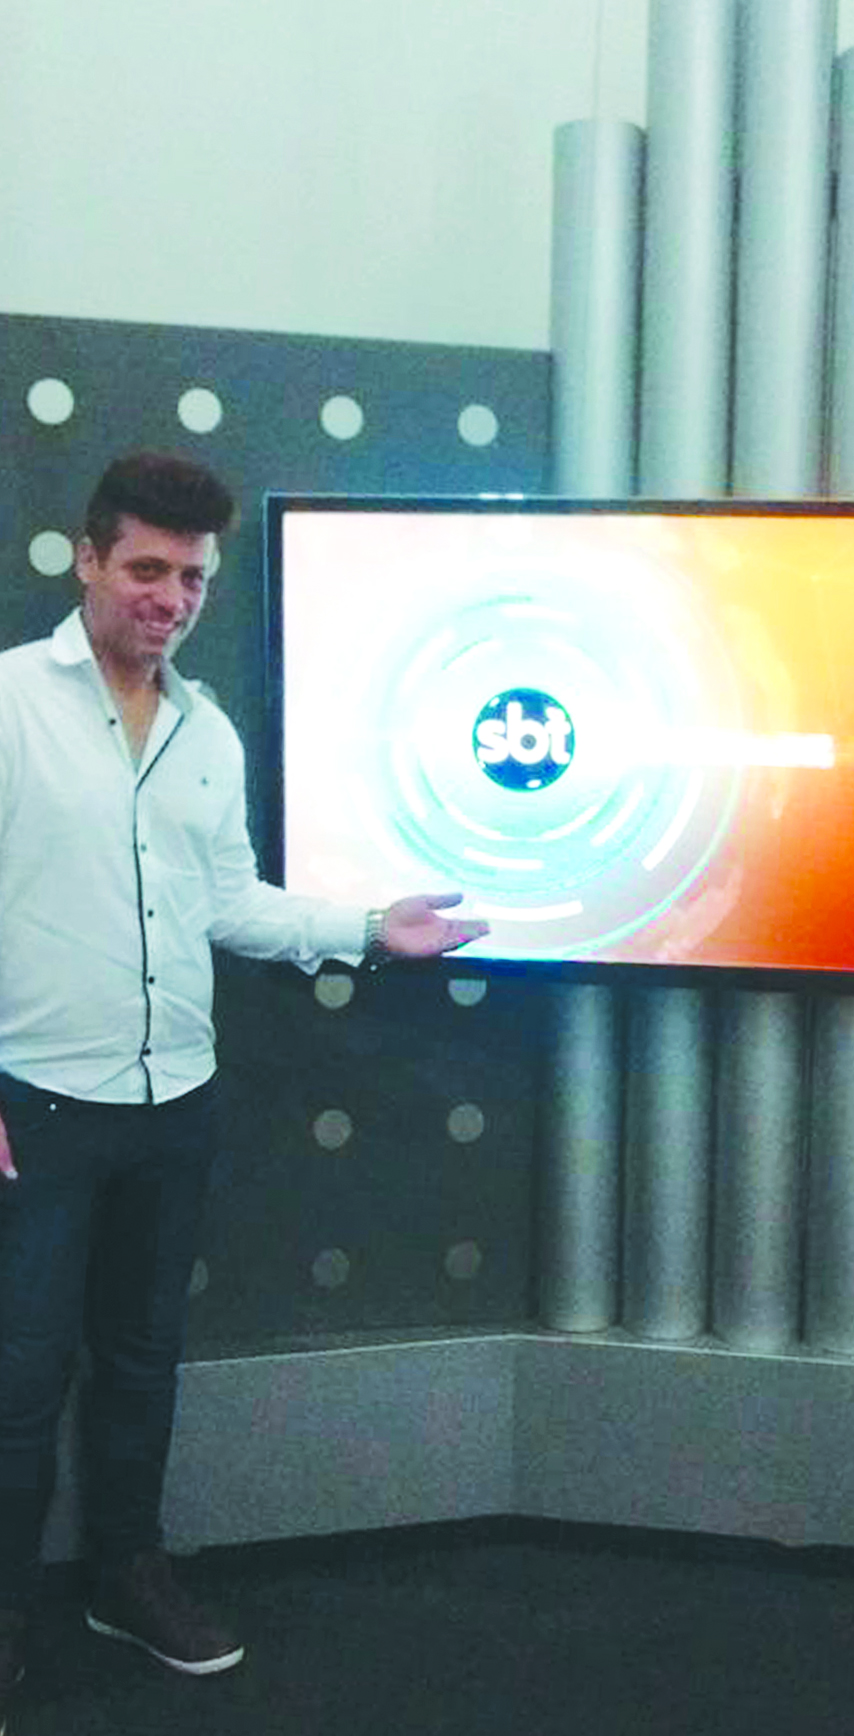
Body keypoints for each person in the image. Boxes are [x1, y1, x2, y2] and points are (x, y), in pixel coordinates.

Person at [0, 452, 487, 1730]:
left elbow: (230, 902)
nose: (171, 598)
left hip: (177, 1102)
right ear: (87, 560)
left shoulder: (206, 731)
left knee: (142, 1358)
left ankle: (124, 1577)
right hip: (38, 1106)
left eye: (194, 578)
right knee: (18, 1375)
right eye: (147, 568)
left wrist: (372, 928)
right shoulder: (9, 705)